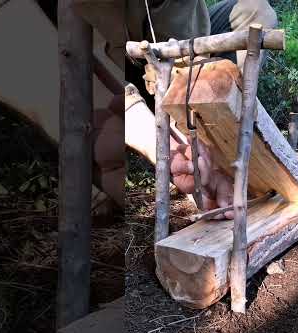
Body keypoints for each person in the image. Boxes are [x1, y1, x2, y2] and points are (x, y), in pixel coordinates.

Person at [75, 0, 278, 217]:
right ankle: (195, 168)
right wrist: (162, 146)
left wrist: (191, 130)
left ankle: (218, 152)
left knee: (255, 12)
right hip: (110, 65)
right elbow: (83, 67)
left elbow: (183, 53)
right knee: (104, 139)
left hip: (170, 55)